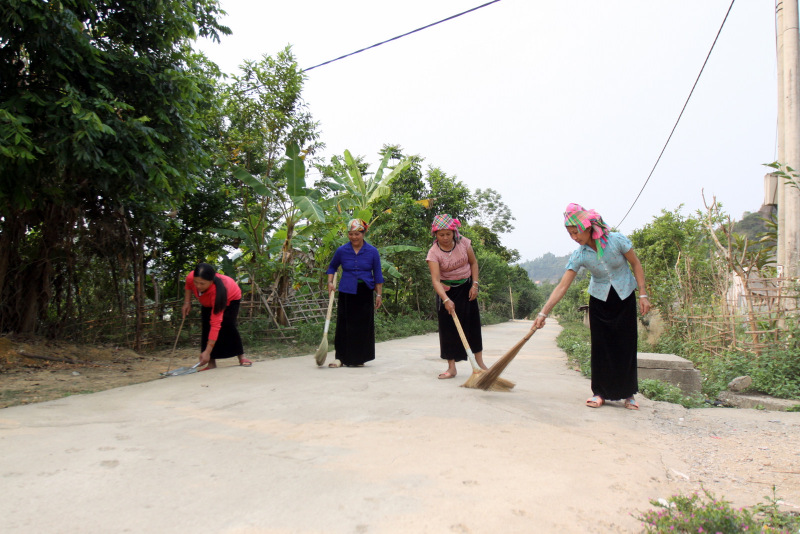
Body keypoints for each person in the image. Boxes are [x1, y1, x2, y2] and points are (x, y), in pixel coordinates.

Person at [532, 203, 651, 409]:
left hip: (624, 296)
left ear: (587, 227)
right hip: (599, 300)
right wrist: (544, 312)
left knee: (626, 345)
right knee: (601, 346)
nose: (574, 237)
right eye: (570, 234)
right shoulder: (580, 255)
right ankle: (600, 393)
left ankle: (629, 394)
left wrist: (643, 294)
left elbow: (636, 264)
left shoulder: (617, 241)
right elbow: (562, 286)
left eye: (575, 232)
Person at [426, 214, 485, 380]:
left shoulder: (464, 243)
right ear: (435, 235)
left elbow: (473, 263)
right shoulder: (433, 253)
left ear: (454, 232)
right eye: (441, 235)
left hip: (467, 289)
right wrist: (445, 299)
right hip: (446, 291)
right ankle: (451, 368)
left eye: (448, 234)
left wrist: (475, 285)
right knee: (448, 330)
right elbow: (435, 280)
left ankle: (480, 364)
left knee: (472, 327)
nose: (445, 238)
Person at [325, 219, 384, 368]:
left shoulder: (372, 251)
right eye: (351, 234)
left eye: (357, 234)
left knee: (362, 325)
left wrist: (379, 295)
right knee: (344, 325)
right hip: (346, 291)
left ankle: (359, 358)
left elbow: (377, 274)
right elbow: (332, 267)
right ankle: (340, 358)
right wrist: (330, 282)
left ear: (363, 233)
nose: (354, 237)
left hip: (365, 291)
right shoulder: (342, 250)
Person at [182, 263, 251, 371]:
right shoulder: (191, 277)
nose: (198, 286)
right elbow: (188, 285)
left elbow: (216, 323)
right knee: (206, 327)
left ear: (211, 281)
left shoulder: (218, 291)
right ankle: (211, 363)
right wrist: (187, 302)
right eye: (196, 282)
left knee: (227, 324)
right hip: (207, 302)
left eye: (202, 283)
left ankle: (242, 357)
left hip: (231, 297)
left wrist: (207, 351)